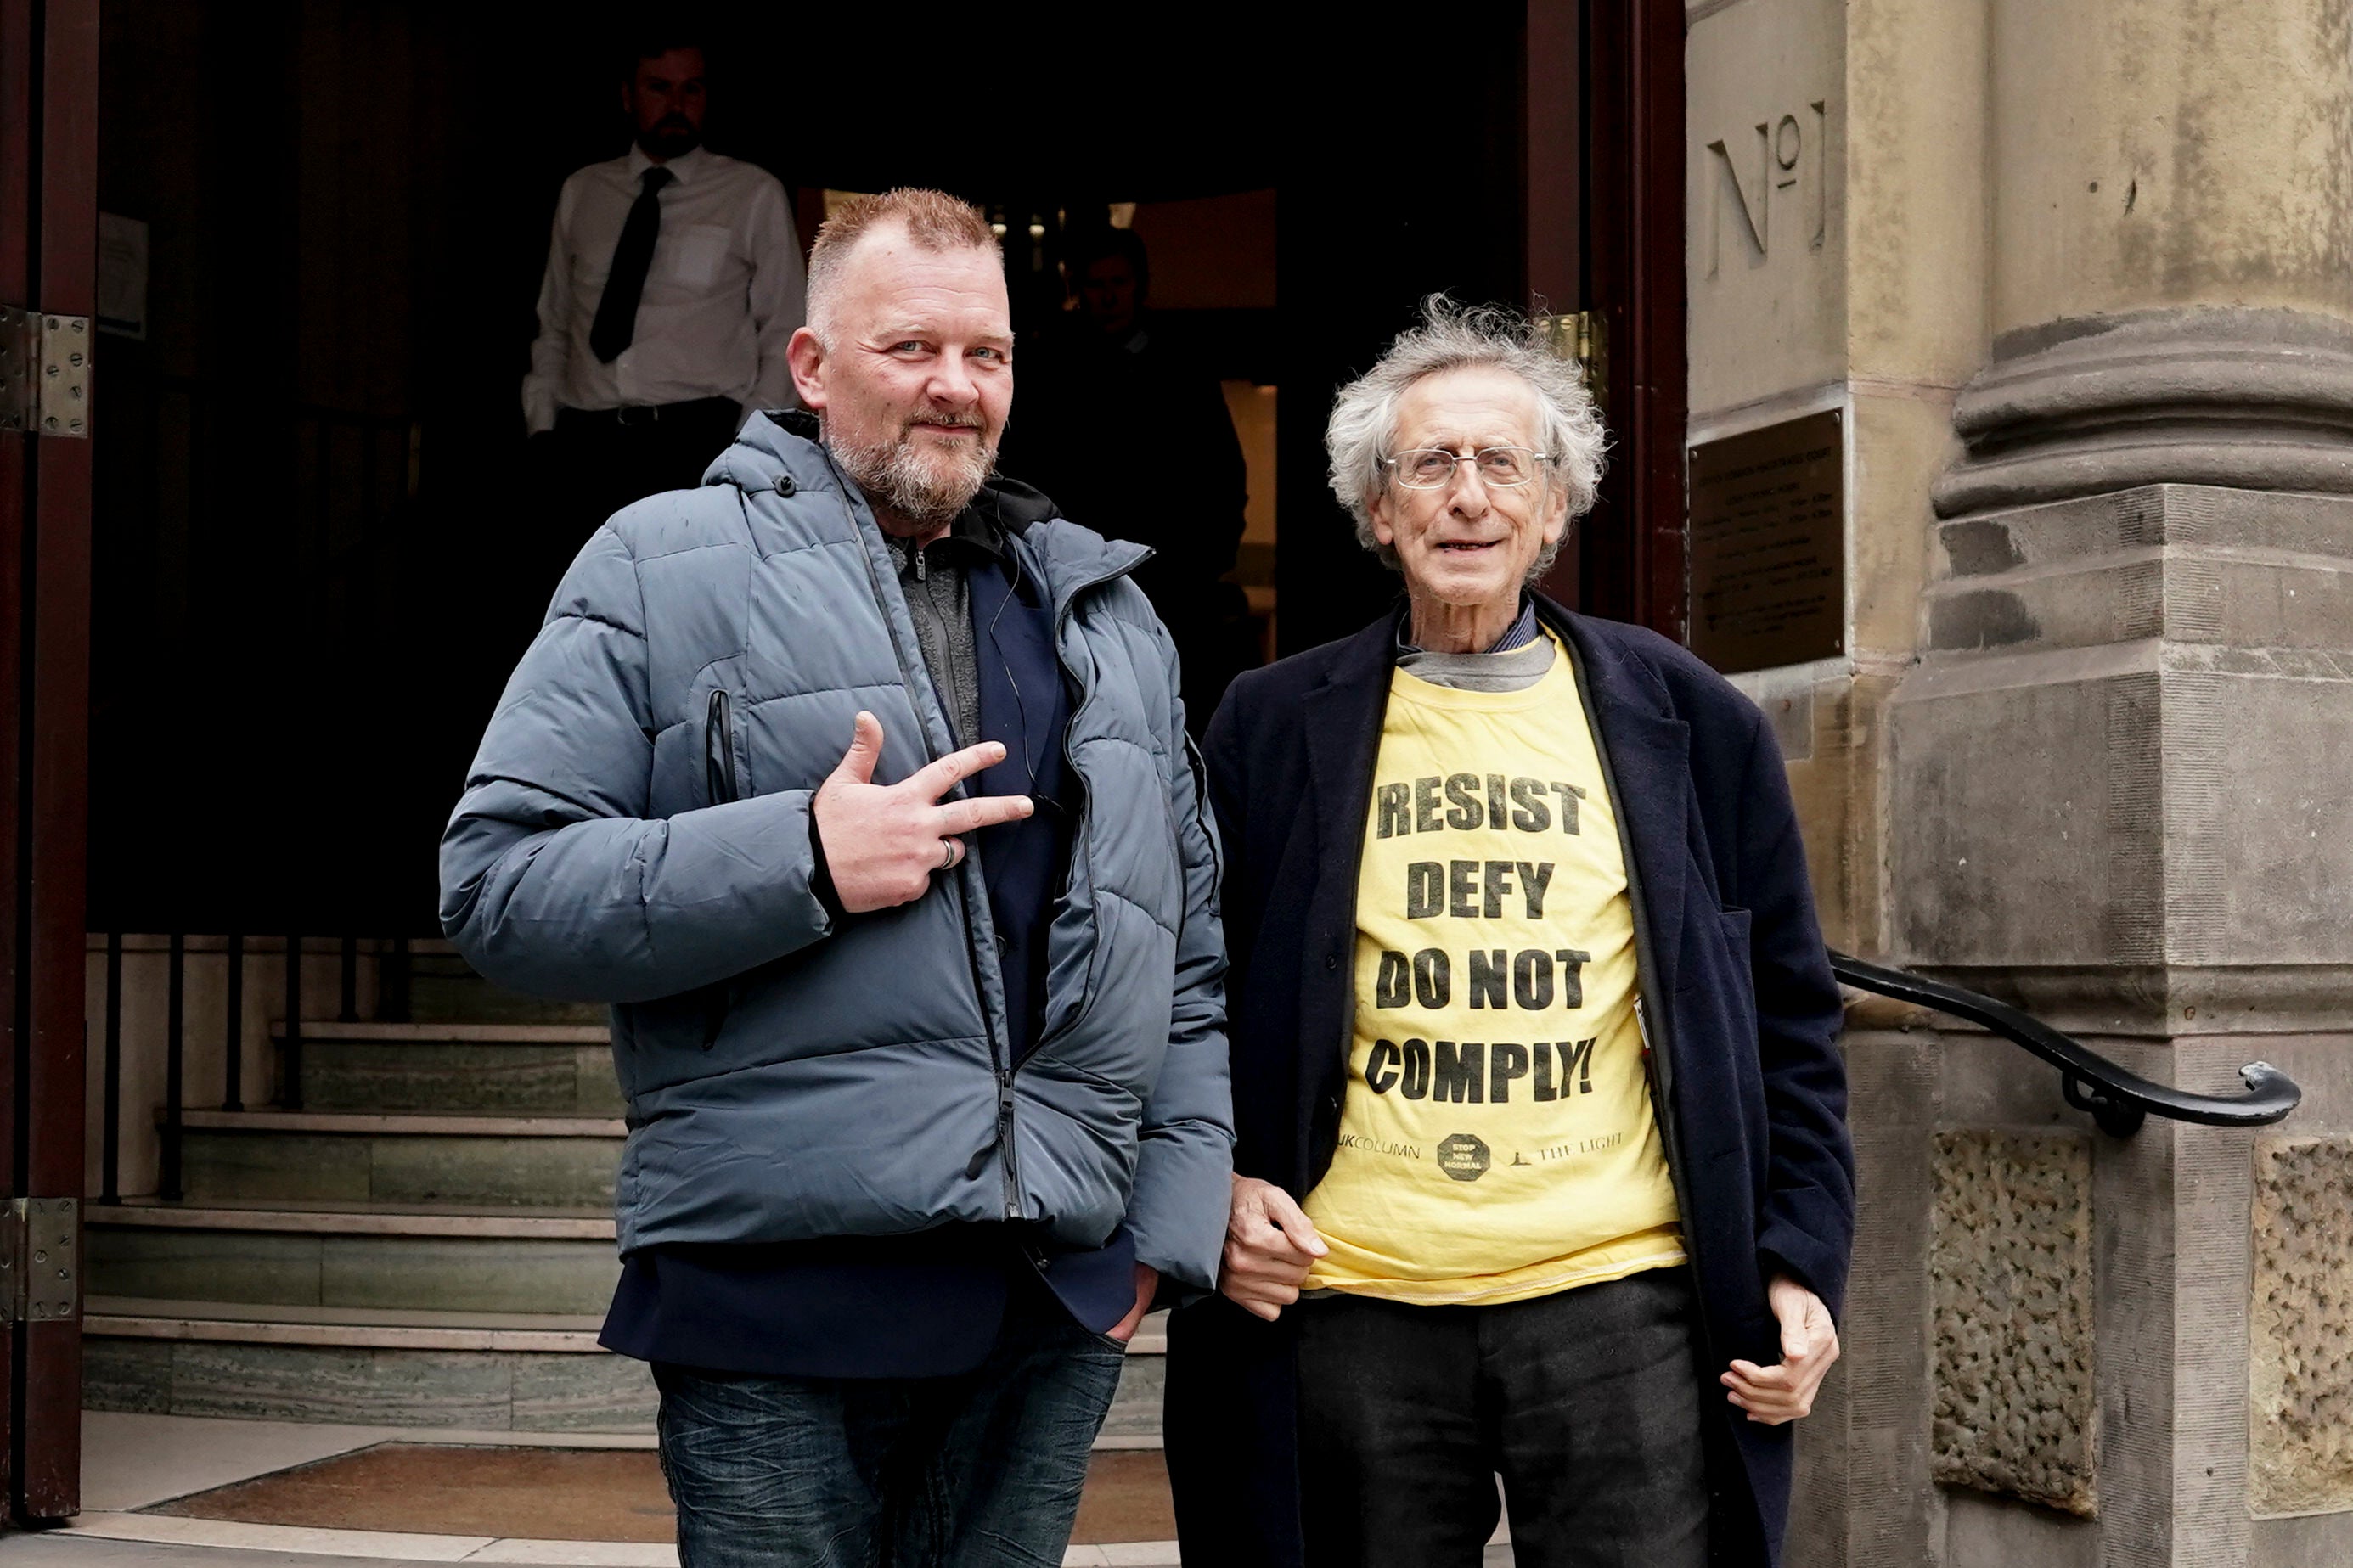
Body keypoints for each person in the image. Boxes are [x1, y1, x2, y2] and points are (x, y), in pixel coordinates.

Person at [443, 188, 1232, 1566]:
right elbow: (500, 885)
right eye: (910, 348)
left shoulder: (1105, 611)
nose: (955, 386)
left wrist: (1151, 1241)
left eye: (984, 354)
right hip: (770, 1305)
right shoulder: (656, 563)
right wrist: (801, 856)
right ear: (810, 369)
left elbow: (1187, 954)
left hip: (1045, 1309)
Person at [1163, 298, 1854, 1568]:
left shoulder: (1690, 720)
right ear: (1378, 510)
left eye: (1502, 464)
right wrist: (1200, 1184)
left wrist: (1797, 1256)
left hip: (1620, 1307)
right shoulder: (1263, 726)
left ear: (1553, 507)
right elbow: (1174, 989)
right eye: (1429, 463)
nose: (1466, 496)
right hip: (1347, 1302)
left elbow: (1787, 1016)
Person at [521, 34, 803, 548]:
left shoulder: (750, 194)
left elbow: (785, 329)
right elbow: (555, 319)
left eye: (692, 88)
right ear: (628, 96)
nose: (677, 104)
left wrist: (745, 449)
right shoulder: (584, 192)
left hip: (696, 439)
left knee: (687, 613)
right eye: (660, 87)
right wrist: (543, 427)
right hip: (586, 442)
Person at [1000, 226, 1252, 731]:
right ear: (1078, 289)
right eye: (1096, 284)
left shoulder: (1182, 367)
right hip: (1077, 575)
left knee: (1178, 715)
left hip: (1175, 581)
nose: (1109, 295)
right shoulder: (1051, 366)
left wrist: (1203, 562)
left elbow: (1222, 472)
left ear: (1140, 284)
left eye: (1119, 281)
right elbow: (1025, 469)